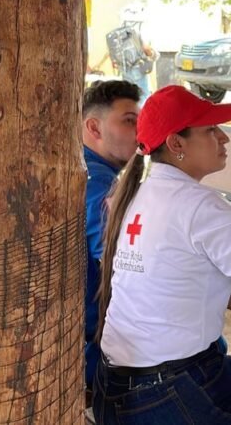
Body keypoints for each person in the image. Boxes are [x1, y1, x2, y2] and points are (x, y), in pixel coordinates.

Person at [92, 85, 231, 425]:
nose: (224, 138)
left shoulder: (138, 193)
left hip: (117, 385)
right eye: (211, 130)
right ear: (176, 144)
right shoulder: (200, 207)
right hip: (159, 393)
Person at [81, 79, 141, 392]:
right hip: (95, 351)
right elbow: (119, 262)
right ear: (94, 128)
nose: (140, 132)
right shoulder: (97, 187)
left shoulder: (85, 169)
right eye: (130, 121)